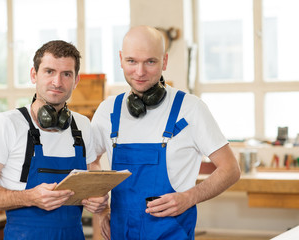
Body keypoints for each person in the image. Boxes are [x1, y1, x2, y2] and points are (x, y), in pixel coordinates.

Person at [91, 25, 241, 239]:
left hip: (172, 233)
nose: (140, 72)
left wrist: (189, 197)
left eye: (150, 62)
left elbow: (231, 169)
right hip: (121, 233)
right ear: (121, 59)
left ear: (165, 61)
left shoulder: (191, 109)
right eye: (132, 61)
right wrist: (102, 208)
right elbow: (92, 160)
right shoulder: (108, 110)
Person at [0, 40, 109, 240]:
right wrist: (29, 197)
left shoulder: (83, 125)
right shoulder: (6, 124)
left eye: (66, 74)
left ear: (76, 80)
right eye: (49, 71)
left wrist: (100, 200)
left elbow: (92, 165)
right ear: (34, 74)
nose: (57, 82)